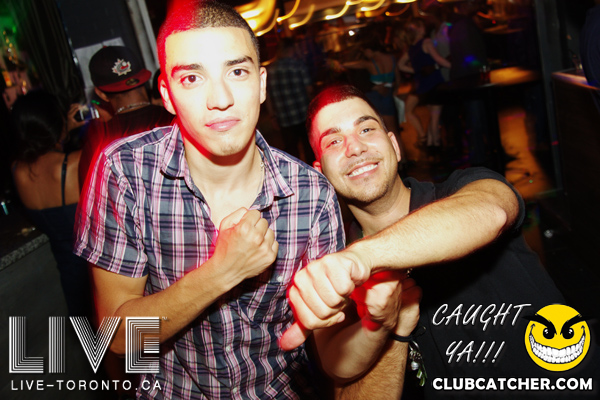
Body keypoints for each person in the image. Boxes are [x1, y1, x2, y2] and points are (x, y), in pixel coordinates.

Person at [74, 1, 345, 398]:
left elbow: (334, 348)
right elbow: (116, 338)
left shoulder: (311, 193)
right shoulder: (125, 171)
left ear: (261, 84)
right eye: (191, 78)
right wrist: (221, 272)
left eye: (237, 72)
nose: (220, 98)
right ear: (167, 95)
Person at [282, 84, 578, 398]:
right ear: (321, 172)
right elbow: (336, 365)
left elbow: (491, 212)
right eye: (334, 141)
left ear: (394, 146)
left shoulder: (465, 187)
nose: (354, 148)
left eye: (366, 129)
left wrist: (363, 258)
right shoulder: (334, 263)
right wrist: (381, 325)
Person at [11, 90, 91, 317]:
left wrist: (62, 130)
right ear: (56, 121)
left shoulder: (18, 171)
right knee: (125, 338)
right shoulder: (73, 163)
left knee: (88, 337)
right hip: (97, 276)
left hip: (70, 279)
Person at [78, 45, 174, 187]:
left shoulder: (97, 145)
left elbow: (94, 197)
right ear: (143, 78)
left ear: (101, 94)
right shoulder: (177, 119)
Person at [398, 18, 450, 149]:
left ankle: (431, 145)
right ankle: (435, 146)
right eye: (421, 25)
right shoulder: (426, 42)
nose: (424, 27)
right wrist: (454, 66)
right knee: (435, 118)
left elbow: (400, 65)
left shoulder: (411, 48)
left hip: (423, 86)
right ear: (418, 29)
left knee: (433, 117)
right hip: (435, 83)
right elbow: (438, 59)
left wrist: (416, 70)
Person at [266, 36, 315, 164]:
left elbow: (268, 97)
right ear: (291, 49)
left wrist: (272, 117)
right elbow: (309, 90)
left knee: (292, 153)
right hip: (303, 114)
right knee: (309, 150)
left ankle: (296, 175)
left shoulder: (270, 70)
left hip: (284, 119)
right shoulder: (298, 65)